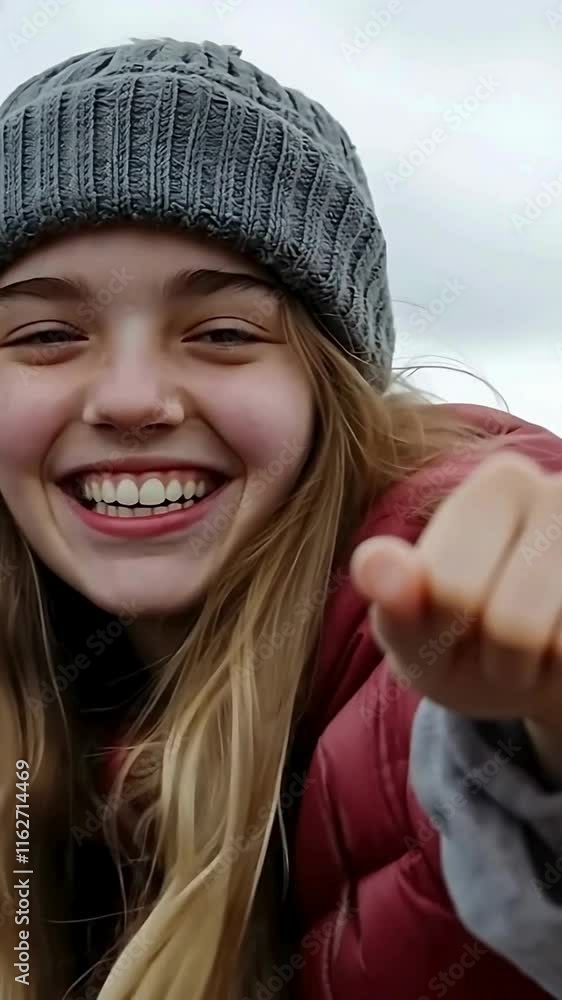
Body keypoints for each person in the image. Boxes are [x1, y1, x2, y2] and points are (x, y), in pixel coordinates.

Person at [0, 36, 561, 1000]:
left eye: (224, 333)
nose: (131, 399)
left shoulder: (439, 650)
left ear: (326, 389)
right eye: (46, 334)